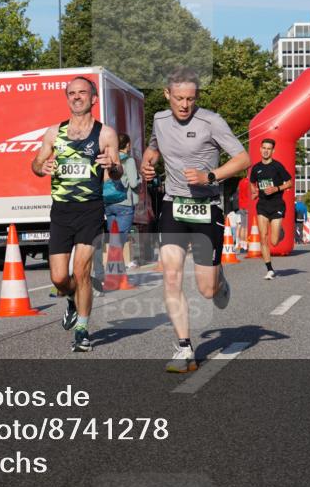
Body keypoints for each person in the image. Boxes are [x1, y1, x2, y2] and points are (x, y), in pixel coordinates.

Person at [141, 67, 250, 373]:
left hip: (207, 207)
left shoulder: (211, 122)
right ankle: (184, 348)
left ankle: (219, 280)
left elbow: (244, 158)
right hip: (173, 205)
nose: (185, 105)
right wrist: (148, 166)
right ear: (167, 95)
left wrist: (210, 175)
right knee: (172, 276)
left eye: (190, 99)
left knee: (206, 288)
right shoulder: (160, 119)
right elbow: (153, 149)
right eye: (179, 99)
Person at [31, 77, 121, 352]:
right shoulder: (53, 133)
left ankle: (82, 329)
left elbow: (117, 172)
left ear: (93, 99)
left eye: (82, 93)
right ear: (67, 98)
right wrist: (41, 167)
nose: (77, 97)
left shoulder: (105, 133)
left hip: (90, 210)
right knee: (59, 278)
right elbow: (35, 163)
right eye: (72, 93)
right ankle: (70, 298)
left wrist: (111, 165)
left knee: (81, 271)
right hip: (60, 211)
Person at [248, 138, 293, 280]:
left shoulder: (277, 166)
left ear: (273, 151)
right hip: (262, 205)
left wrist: (276, 188)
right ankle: (269, 269)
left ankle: (280, 232)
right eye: (264, 148)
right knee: (263, 237)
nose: (266, 150)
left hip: (277, 205)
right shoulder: (256, 168)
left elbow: (290, 183)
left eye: (269, 148)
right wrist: (254, 192)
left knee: (274, 241)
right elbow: (252, 182)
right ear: (260, 149)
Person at [105, 132, 141, 268]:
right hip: (124, 203)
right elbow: (133, 183)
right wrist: (140, 178)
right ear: (127, 144)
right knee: (121, 236)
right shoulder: (129, 160)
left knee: (113, 236)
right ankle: (118, 264)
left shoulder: (110, 160)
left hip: (109, 202)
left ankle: (113, 263)